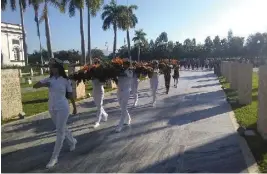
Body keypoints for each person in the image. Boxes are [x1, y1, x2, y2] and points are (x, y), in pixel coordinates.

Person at [33, 59, 77, 169]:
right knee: (61, 127)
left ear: (59, 68)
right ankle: (72, 141)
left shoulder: (65, 80)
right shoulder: (49, 79)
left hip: (63, 107)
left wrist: (75, 107)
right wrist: (44, 85)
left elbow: (70, 95)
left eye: (54, 67)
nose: (52, 69)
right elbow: (35, 86)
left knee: (60, 131)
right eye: (51, 67)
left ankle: (54, 157)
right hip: (52, 107)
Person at [116, 60, 133, 133]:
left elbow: (129, 75)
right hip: (119, 90)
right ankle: (129, 118)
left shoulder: (130, 71)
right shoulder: (119, 70)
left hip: (126, 91)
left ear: (128, 65)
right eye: (123, 64)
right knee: (122, 106)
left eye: (125, 65)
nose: (124, 66)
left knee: (123, 107)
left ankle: (120, 125)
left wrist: (124, 69)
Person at [92, 59, 108, 128]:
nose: (95, 64)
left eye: (96, 62)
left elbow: (103, 82)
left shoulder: (102, 72)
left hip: (100, 90)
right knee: (98, 105)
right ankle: (105, 114)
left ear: (99, 63)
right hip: (94, 90)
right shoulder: (92, 71)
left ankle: (97, 121)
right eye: (94, 62)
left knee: (99, 105)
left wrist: (99, 79)